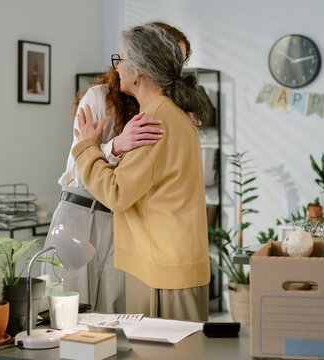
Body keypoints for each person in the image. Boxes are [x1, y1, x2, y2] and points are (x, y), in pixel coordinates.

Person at [42, 22, 193, 314]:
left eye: (181, 62)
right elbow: (76, 167)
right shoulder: (99, 98)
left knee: (116, 312)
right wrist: (116, 145)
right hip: (80, 213)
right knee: (67, 308)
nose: (175, 70)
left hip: (124, 220)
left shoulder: (163, 110)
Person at [72, 24, 213, 322]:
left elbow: (116, 192)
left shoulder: (154, 121)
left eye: (122, 59)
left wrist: (87, 147)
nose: (118, 67)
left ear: (140, 71)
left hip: (163, 270)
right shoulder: (170, 115)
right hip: (172, 263)